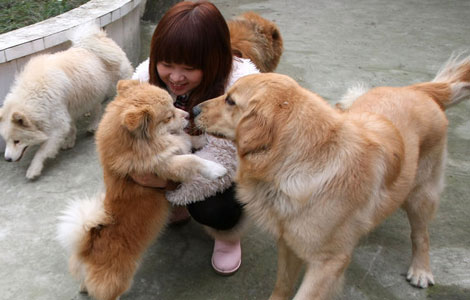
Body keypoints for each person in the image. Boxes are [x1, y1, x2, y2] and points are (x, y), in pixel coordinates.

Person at [131, 1, 260, 275]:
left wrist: (167, 182)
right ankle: (178, 202)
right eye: (166, 64)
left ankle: (226, 234)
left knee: (215, 207)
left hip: (221, 171)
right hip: (172, 160)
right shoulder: (145, 78)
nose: (175, 77)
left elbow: (226, 164)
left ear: (213, 61)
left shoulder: (239, 90)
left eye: (189, 68)